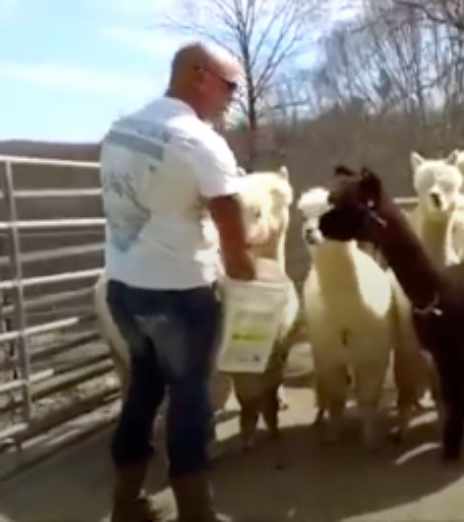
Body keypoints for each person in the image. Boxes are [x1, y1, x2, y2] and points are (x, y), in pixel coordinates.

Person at [100, 41, 255, 522]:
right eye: (230, 87)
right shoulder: (198, 140)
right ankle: (195, 512)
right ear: (199, 75)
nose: (231, 98)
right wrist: (243, 269)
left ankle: (126, 503)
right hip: (179, 295)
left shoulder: (120, 130)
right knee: (190, 399)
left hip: (123, 288)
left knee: (143, 390)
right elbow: (229, 212)